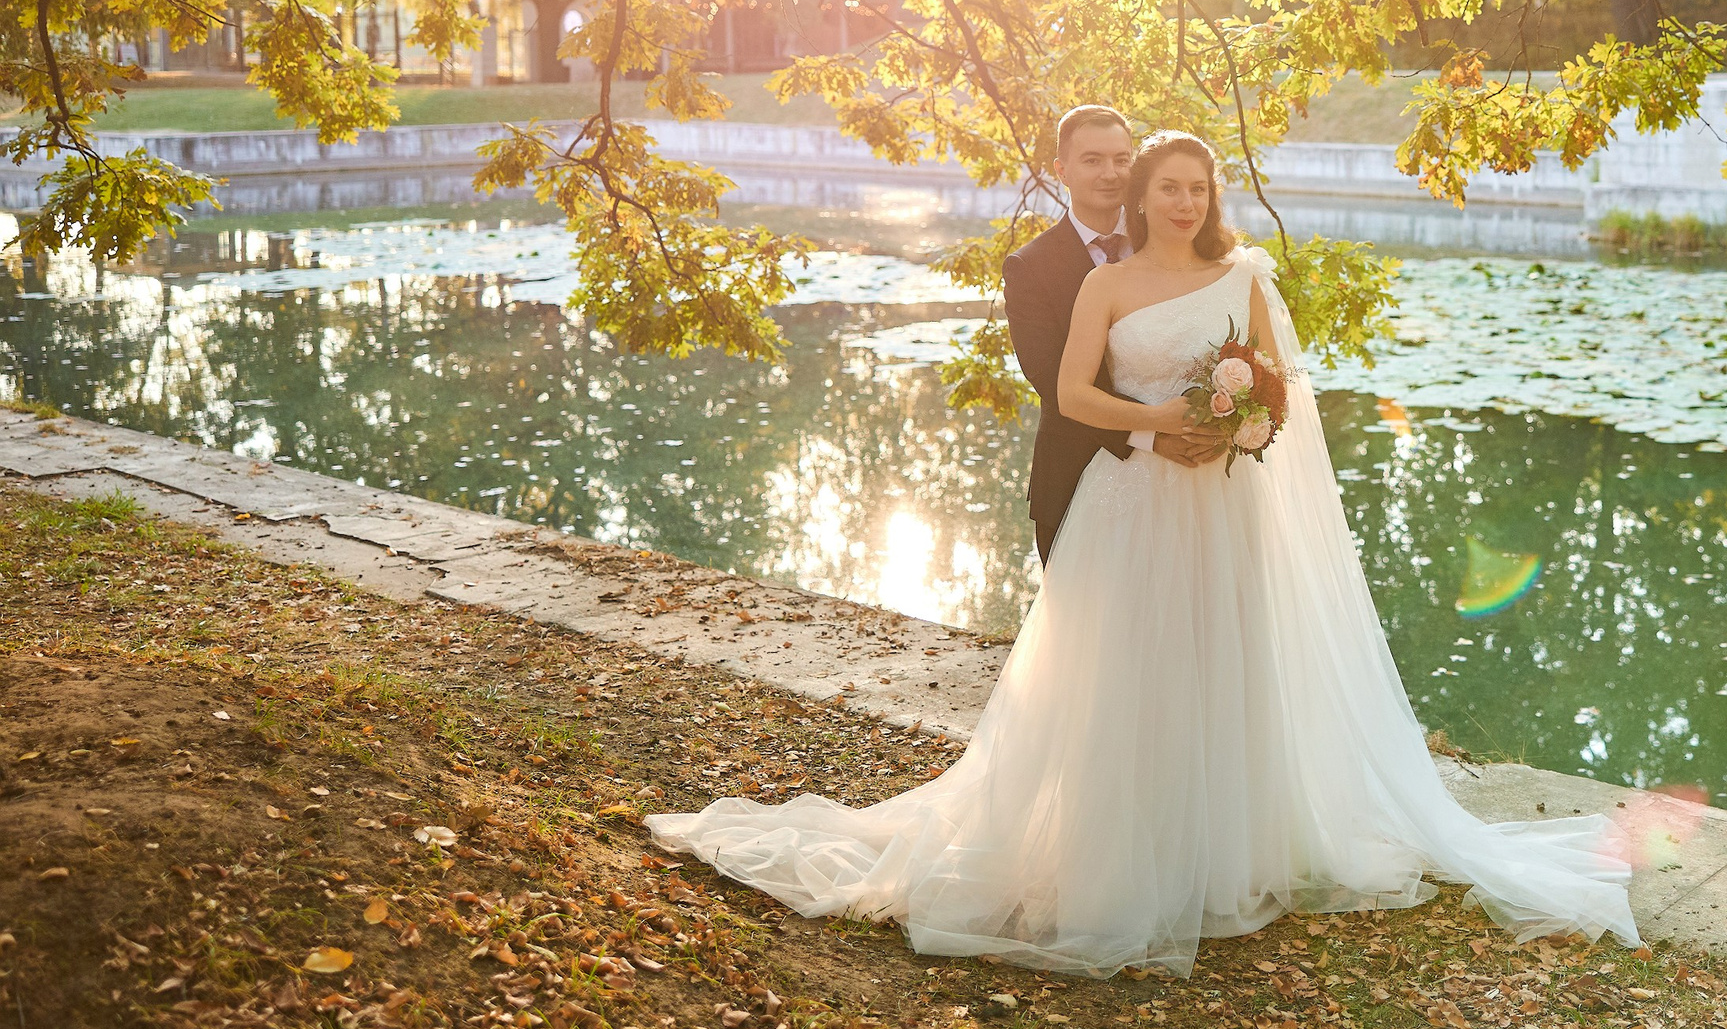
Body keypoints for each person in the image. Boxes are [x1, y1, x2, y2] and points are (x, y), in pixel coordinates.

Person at [648, 129, 1639, 977]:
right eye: (1166, 185)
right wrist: (1157, 418)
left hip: (1223, 504)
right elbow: (1073, 394)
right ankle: (1124, 853)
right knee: (1126, 673)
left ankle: (1226, 847)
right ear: (1141, 195)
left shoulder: (1242, 275)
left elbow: (1277, 395)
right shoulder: (1105, 283)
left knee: (1224, 663)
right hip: (1132, 504)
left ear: (1211, 199)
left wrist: (1240, 430)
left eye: (1196, 187)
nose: (1181, 199)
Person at [993, 105, 1221, 563]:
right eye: (1092, 160)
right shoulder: (1030, 268)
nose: (1110, 173)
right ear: (1062, 170)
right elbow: (1055, 385)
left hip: (1194, 484)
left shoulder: (1177, 244)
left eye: (1121, 159)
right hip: (1076, 476)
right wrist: (1156, 433)